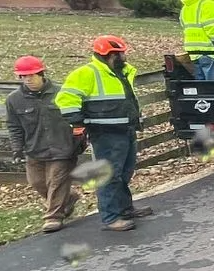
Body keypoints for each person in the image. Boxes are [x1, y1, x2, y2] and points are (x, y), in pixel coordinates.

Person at [55, 35, 153, 232]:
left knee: (125, 172)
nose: (125, 57)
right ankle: (111, 217)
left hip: (125, 129)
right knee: (109, 174)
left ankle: (125, 208)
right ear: (109, 55)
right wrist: (78, 121)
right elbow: (65, 98)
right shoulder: (86, 73)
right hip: (105, 133)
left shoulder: (120, 72)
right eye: (121, 53)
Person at [4, 56, 79, 233]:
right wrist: (17, 148)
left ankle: (53, 217)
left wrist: (79, 139)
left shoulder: (62, 92)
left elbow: (77, 117)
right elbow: (14, 126)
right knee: (37, 183)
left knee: (56, 181)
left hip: (63, 147)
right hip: (34, 148)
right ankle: (68, 199)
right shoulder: (14, 100)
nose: (28, 79)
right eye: (23, 76)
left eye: (31, 75)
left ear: (41, 73)